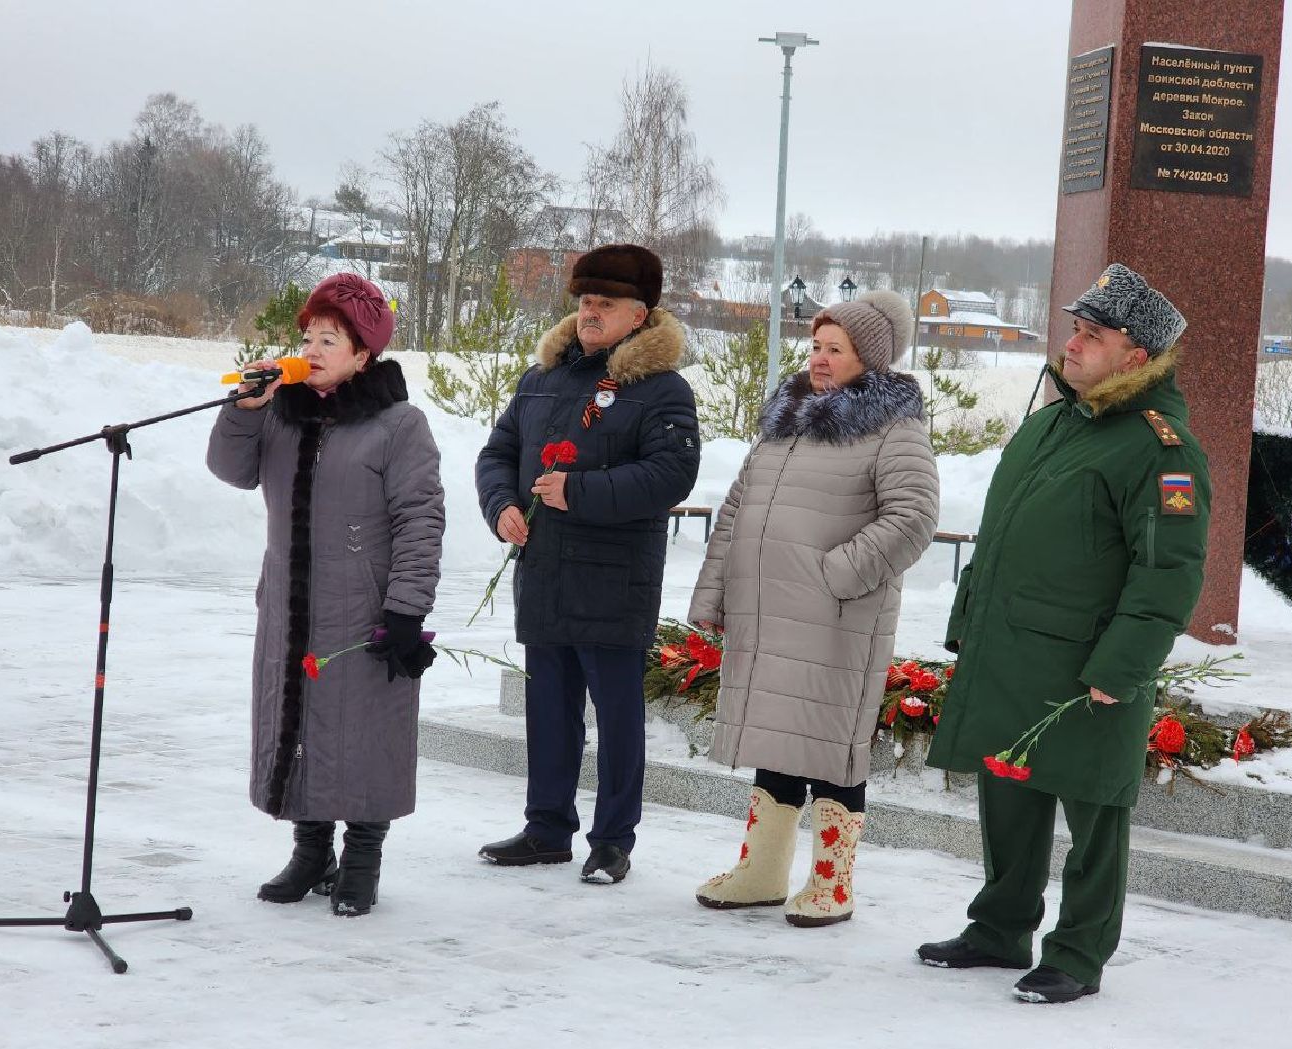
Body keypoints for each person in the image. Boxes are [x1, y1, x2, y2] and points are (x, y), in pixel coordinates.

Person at [919, 264, 1211, 1002]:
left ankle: (1078, 954)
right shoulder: (1053, 422)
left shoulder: (1160, 449)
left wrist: (1124, 667)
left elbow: (1168, 573)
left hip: (1089, 668)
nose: (1072, 344)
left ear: (1137, 356)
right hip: (1014, 649)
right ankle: (998, 928)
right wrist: (970, 627)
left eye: (1093, 335)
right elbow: (1004, 540)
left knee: (1096, 814)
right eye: (1075, 329)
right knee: (1008, 800)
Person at [688, 290, 939, 926]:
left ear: (870, 359)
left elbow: (913, 518)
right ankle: (763, 870)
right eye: (816, 346)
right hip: (768, 609)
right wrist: (716, 591)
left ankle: (832, 881)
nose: (819, 360)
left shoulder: (894, 427)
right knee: (778, 734)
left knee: (831, 744)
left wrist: (836, 574)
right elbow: (740, 505)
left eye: (836, 349)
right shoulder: (788, 416)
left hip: (836, 617)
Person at [206, 273, 444, 918]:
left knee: (367, 731)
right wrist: (245, 410)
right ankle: (312, 851)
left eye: (329, 338)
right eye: (307, 335)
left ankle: (363, 855)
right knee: (298, 721)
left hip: (363, 608)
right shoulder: (282, 413)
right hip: (288, 603)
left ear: (363, 353)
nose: (310, 348)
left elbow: (420, 518)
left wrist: (405, 608)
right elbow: (231, 470)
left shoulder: (399, 425)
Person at [474, 243, 701, 884]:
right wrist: (501, 507)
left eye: (605, 304)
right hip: (545, 570)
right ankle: (547, 828)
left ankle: (612, 839)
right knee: (548, 708)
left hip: (613, 578)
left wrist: (577, 491)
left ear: (639, 315)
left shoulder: (662, 390)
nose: (589, 314)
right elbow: (499, 453)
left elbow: (670, 474)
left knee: (617, 715)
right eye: (583, 303)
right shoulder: (541, 380)